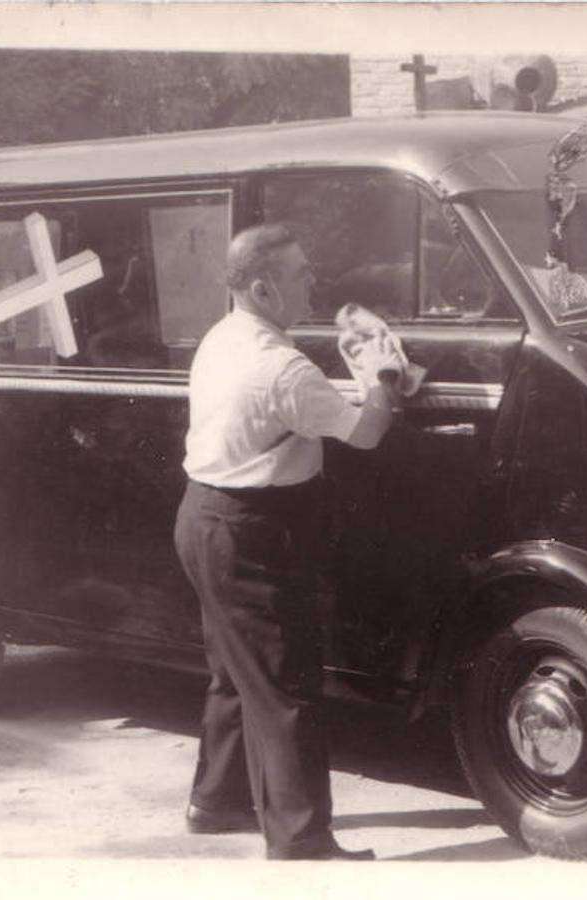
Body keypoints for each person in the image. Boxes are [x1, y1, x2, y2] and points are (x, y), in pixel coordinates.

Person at [174, 223, 398, 861]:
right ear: (266, 288)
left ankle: (214, 804)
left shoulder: (225, 337)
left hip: (204, 518)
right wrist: (382, 372)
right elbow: (366, 433)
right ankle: (301, 840)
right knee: (285, 686)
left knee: (233, 671)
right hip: (250, 531)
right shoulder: (282, 368)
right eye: (302, 275)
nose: (313, 283)